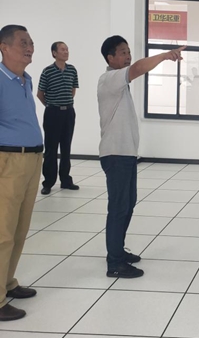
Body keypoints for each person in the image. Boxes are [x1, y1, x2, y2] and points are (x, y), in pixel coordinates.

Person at [98, 36, 184, 278]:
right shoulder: (109, 79)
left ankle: (118, 251)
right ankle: (115, 263)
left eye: (128, 51)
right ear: (110, 58)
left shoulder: (119, 83)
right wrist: (165, 55)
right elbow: (137, 69)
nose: (128, 56)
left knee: (127, 205)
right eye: (122, 52)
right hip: (116, 155)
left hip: (125, 154)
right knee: (119, 208)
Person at [0, 25, 43, 321]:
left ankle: (7, 282)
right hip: (9, 161)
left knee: (20, 228)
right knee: (3, 231)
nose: (29, 48)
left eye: (31, 43)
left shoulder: (25, 80)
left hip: (32, 159)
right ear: (4, 47)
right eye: (23, 43)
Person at [37, 41, 79, 195]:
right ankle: (48, 182)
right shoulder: (47, 71)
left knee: (66, 147)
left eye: (67, 49)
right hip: (52, 113)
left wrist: (64, 104)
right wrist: (51, 105)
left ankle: (66, 180)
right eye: (62, 49)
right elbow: (40, 94)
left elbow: (73, 90)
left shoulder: (72, 70)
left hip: (68, 112)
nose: (66, 52)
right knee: (51, 149)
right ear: (54, 53)